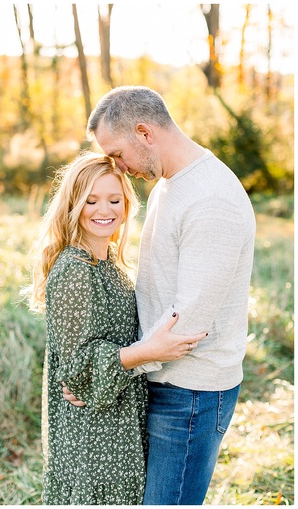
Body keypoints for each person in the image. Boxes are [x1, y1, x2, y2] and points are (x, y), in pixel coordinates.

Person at [64, 85, 256, 505]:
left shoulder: (212, 199)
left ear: (144, 133)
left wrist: (106, 373)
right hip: (163, 381)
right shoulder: (172, 184)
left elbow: (185, 327)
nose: (117, 165)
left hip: (191, 393)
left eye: (116, 153)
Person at [27, 151, 206, 504]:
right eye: (90, 200)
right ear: (72, 205)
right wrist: (148, 352)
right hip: (94, 439)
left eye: (114, 199)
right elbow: (77, 371)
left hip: (118, 422)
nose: (104, 210)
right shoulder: (76, 271)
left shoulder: (108, 262)